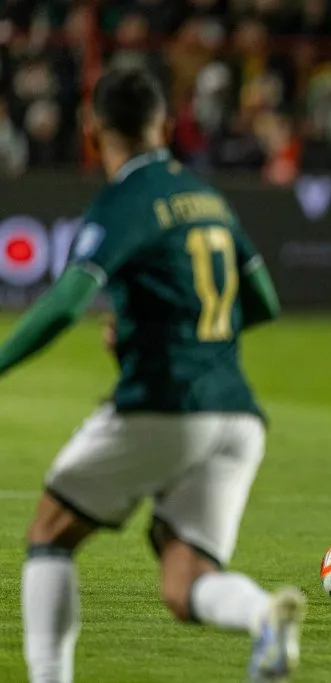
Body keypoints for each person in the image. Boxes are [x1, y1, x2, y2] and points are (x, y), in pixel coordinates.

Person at [1, 67, 305, 682]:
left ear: (92, 131)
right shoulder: (206, 196)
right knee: (184, 582)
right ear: (164, 126)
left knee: (51, 532)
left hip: (164, 406)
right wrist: (180, 332)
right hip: (238, 416)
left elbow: (64, 304)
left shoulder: (125, 201)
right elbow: (264, 303)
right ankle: (263, 617)